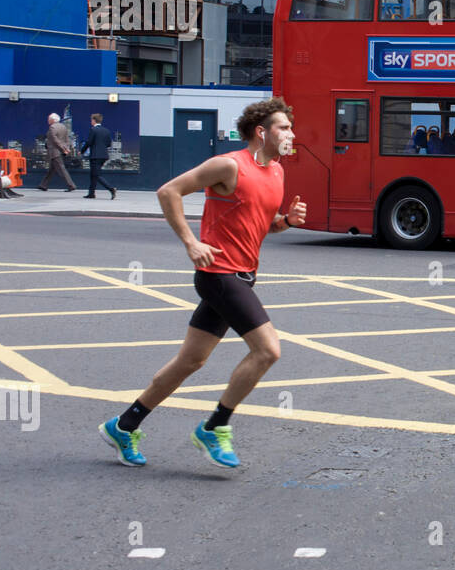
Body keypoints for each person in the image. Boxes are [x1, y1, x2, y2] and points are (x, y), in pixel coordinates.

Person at [99, 97, 306, 468]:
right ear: (262, 132)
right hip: (219, 275)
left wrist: (286, 221)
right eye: (285, 127)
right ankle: (215, 427)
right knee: (268, 351)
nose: (292, 134)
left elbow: (262, 226)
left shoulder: (276, 171)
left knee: (190, 361)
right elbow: (168, 191)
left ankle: (124, 425)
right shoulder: (229, 166)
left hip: (244, 275)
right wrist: (191, 242)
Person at [79, 113, 117, 200]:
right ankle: (91, 193)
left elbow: (89, 142)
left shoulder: (93, 130)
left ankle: (111, 189)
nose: (90, 121)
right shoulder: (106, 130)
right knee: (93, 174)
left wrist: (81, 151)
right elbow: (108, 144)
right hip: (103, 156)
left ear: (94, 120)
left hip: (95, 156)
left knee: (96, 175)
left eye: (91, 120)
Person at [37, 113, 76, 191]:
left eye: (49, 119)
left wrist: (63, 148)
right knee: (51, 170)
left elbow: (55, 140)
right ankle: (43, 185)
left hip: (55, 152)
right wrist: (67, 148)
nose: (48, 120)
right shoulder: (63, 127)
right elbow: (67, 139)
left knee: (62, 169)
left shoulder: (52, 127)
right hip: (60, 151)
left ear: (52, 120)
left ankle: (71, 185)